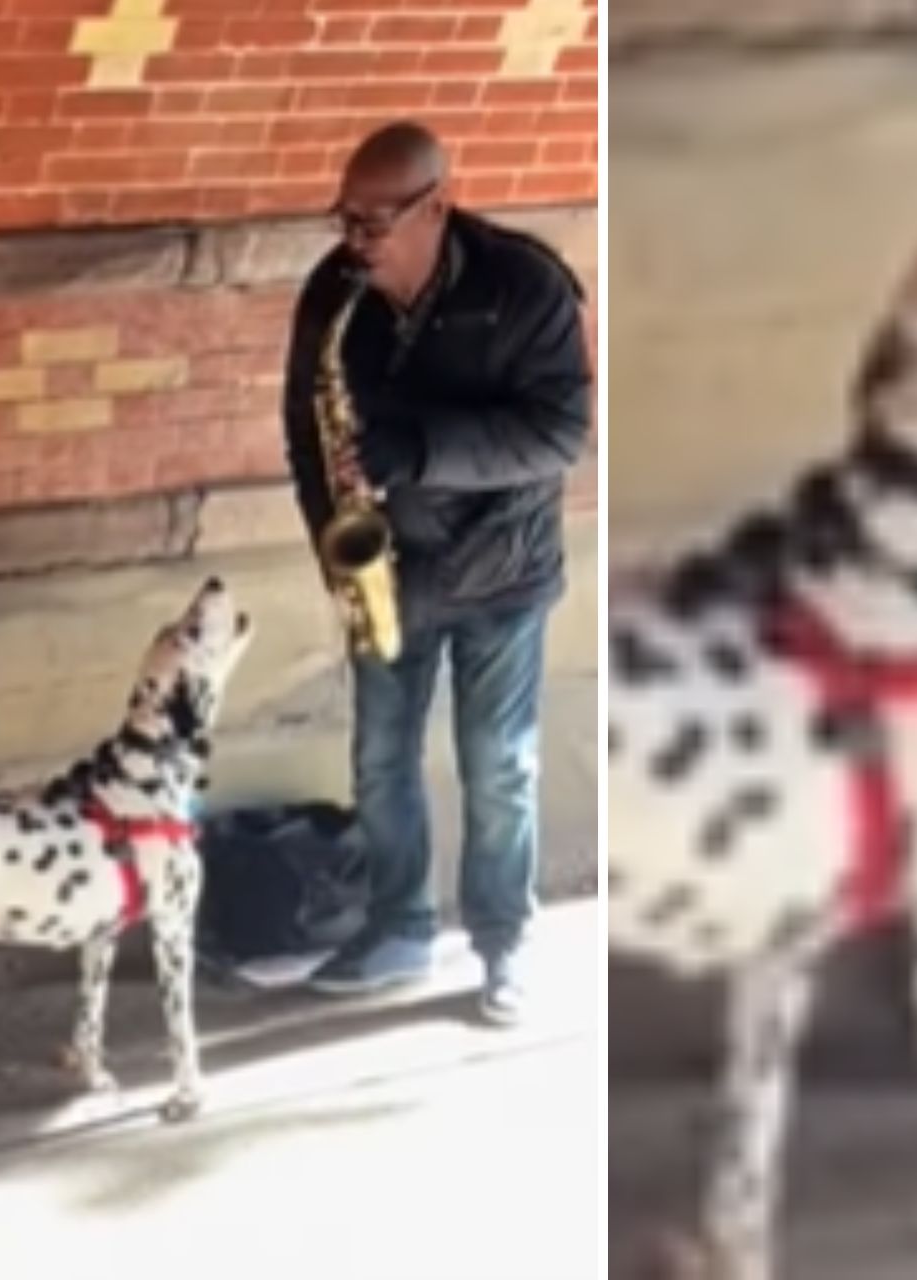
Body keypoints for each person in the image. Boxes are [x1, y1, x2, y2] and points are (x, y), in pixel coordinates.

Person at [280, 121, 593, 1024]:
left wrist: (416, 450)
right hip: (388, 574)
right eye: (346, 219)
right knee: (380, 763)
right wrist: (333, 553)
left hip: (501, 570)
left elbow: (559, 434)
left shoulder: (525, 286)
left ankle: (505, 945)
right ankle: (397, 929)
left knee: (498, 766)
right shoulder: (334, 295)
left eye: (377, 222)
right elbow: (309, 436)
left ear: (439, 207)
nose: (357, 241)